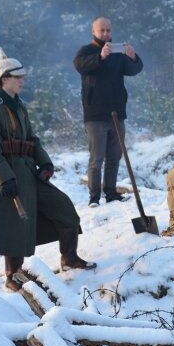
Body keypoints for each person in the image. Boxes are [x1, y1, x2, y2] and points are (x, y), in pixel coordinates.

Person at [0, 50, 96, 291]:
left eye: (22, 76)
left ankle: (69, 257)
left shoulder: (19, 106)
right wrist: (5, 179)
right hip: (9, 175)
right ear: (3, 79)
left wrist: (45, 163)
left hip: (28, 171)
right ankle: (13, 276)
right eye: (17, 76)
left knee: (63, 206)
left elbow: (32, 139)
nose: (22, 80)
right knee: (14, 226)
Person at [73, 16, 143, 208]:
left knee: (115, 156)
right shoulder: (86, 51)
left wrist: (132, 56)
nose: (105, 34)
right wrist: (100, 57)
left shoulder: (118, 52)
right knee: (97, 158)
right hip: (95, 114)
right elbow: (80, 65)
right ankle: (94, 197)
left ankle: (111, 193)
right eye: (101, 30)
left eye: (108, 30)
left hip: (117, 112)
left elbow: (135, 69)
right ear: (93, 32)